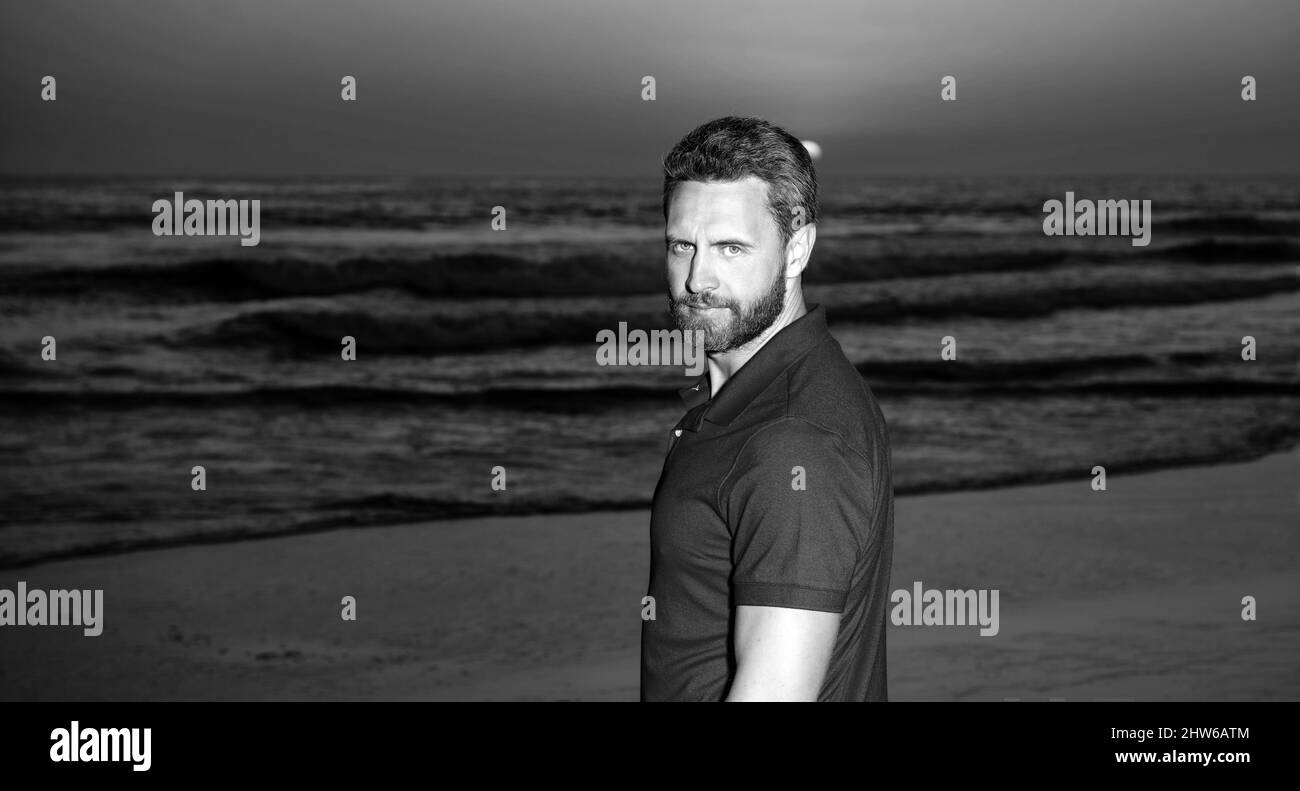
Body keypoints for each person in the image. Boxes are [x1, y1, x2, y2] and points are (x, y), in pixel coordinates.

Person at [641, 116, 895, 701]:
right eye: (684, 245)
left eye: (731, 247)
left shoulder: (793, 440)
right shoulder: (762, 398)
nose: (697, 278)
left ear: (797, 248)